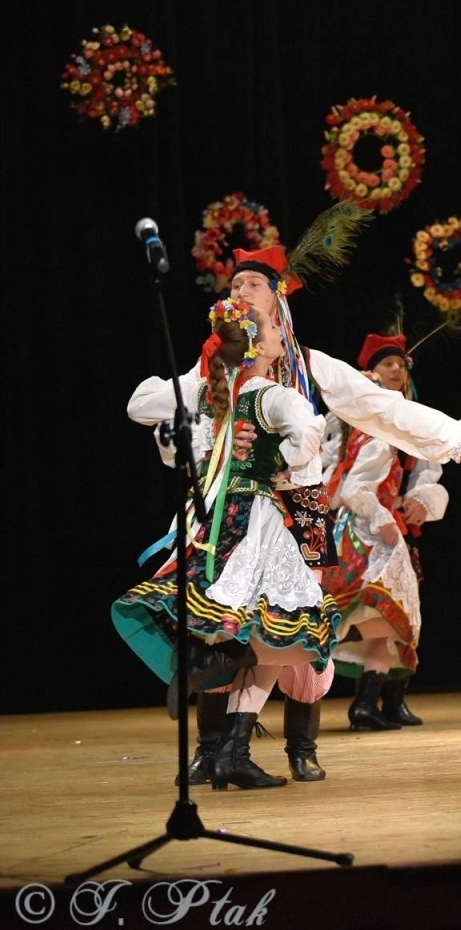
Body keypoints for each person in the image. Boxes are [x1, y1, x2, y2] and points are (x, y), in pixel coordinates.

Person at [127, 231, 461, 775]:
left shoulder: (310, 368)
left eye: (254, 281)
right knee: (228, 628)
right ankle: (215, 749)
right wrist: (202, 433)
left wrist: (452, 444)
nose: (243, 288)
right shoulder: (215, 371)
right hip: (225, 510)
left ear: (279, 298)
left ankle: (298, 748)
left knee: (296, 627)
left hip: (299, 512)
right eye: (235, 283)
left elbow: (382, 409)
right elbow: (162, 422)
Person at [113, 299, 341, 789]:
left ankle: (246, 744)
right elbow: (307, 431)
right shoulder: (263, 393)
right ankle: (224, 742)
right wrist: (281, 463)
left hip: (216, 519)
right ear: (257, 346)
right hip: (254, 518)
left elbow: (145, 413)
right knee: (289, 628)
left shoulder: (208, 391)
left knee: (253, 630)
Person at [324, 331, 449, 730]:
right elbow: (344, 479)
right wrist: (381, 516)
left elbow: (428, 472)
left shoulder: (408, 421)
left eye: (400, 364)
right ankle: (365, 703)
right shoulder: (364, 423)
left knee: (400, 615)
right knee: (385, 614)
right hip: (363, 529)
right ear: (370, 375)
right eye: (386, 364)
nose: (396, 369)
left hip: (385, 526)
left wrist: (421, 502)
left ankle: (389, 700)